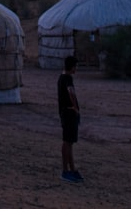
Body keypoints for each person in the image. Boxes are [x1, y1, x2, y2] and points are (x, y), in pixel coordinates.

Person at [58, 55, 83, 184]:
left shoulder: (63, 78)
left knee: (69, 142)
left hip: (67, 113)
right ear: (72, 67)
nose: (76, 68)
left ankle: (72, 170)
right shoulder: (67, 79)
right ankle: (65, 171)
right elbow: (71, 92)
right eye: (76, 66)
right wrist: (75, 108)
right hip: (68, 113)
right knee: (67, 142)